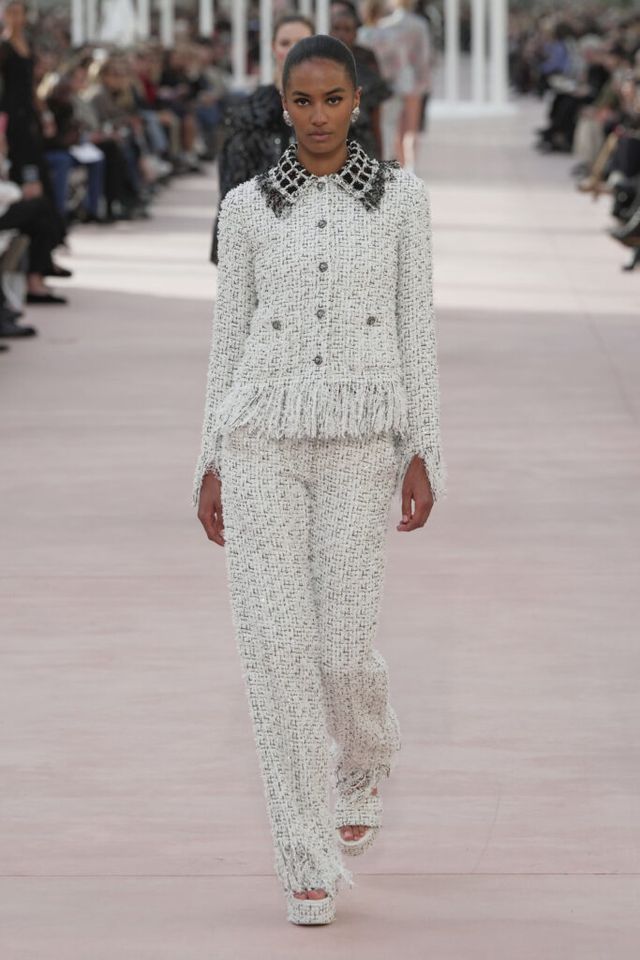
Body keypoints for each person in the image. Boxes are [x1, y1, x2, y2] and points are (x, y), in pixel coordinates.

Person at [193, 33, 445, 925]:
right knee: (276, 654)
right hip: (260, 437)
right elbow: (228, 338)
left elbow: (417, 330)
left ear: (358, 101)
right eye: (302, 101)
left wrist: (424, 448)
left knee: (341, 650)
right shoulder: (246, 209)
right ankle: (303, 855)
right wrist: (210, 459)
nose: (318, 116)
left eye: (333, 98)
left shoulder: (403, 201)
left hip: (361, 444)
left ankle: (366, 754)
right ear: (283, 104)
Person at [208, 12, 314, 264]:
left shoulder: (335, 110)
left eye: (301, 42)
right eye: (285, 43)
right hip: (261, 241)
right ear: (273, 49)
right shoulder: (250, 111)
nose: (293, 50)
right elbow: (232, 182)